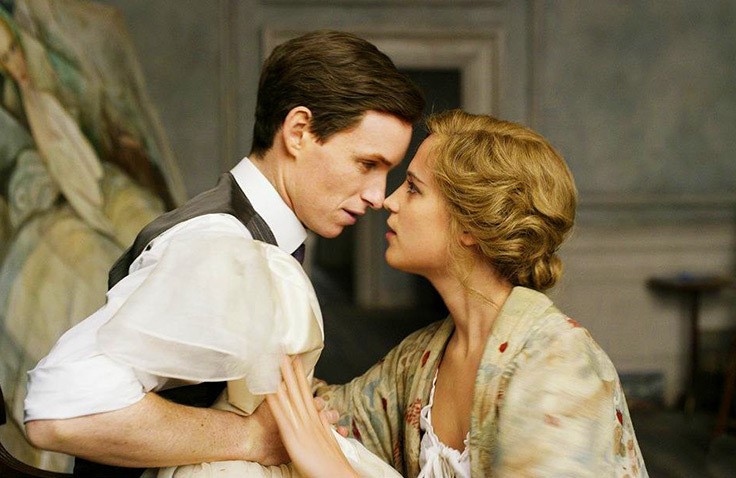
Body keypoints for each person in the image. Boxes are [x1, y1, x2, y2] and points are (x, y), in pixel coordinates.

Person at [22, 29, 425, 477]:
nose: (377, 196)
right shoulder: (222, 246)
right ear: (298, 132)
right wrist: (251, 437)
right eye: (367, 164)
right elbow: (58, 411)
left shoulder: (254, 241)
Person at [267, 109, 649, 477]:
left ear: (470, 226)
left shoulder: (559, 363)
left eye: (413, 188)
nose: (388, 201)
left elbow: (324, 456)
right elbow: (326, 414)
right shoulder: (421, 358)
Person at [1, 3, 178, 469]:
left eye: (14, 52)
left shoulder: (61, 45)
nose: (13, 63)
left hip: (98, 183)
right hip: (41, 202)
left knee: (150, 237)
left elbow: (111, 127)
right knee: (83, 274)